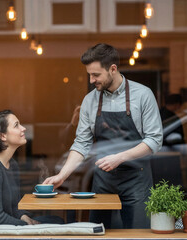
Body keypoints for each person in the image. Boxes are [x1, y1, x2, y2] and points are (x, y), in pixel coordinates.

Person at [43, 43, 163, 229]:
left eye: (96, 75)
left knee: (138, 234)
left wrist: (120, 157)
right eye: (90, 74)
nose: (91, 80)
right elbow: (81, 143)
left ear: (112, 69)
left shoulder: (143, 95)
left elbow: (154, 140)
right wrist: (62, 175)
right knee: (99, 233)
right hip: (103, 182)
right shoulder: (90, 100)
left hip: (137, 181)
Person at [0, 110, 63, 226]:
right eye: (16, 125)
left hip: (3, 227)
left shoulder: (12, 164)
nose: (23, 128)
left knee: (56, 221)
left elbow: (14, 207)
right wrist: (27, 227)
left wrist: (26, 219)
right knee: (54, 224)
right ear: (2, 136)